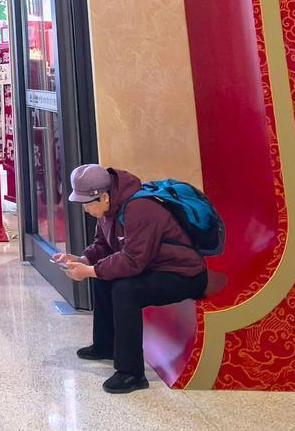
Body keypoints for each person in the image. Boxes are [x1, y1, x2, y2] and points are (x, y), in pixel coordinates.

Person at [53, 164, 208, 395]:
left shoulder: (140, 208)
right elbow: (103, 246)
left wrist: (90, 270)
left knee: (125, 289)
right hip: (154, 267)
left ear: (104, 196)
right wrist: (82, 259)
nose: (85, 210)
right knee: (104, 276)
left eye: (87, 204)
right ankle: (105, 345)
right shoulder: (109, 209)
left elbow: (134, 260)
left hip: (184, 274)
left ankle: (131, 373)